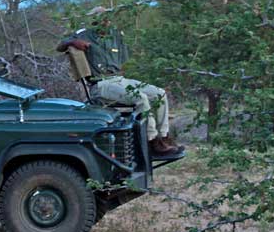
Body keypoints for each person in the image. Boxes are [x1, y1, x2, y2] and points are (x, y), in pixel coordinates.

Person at [56, 8, 183, 158]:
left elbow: (124, 61)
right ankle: (152, 141)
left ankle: (164, 137)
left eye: (107, 19)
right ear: (94, 21)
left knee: (159, 94)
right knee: (141, 98)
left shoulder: (116, 35)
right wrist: (73, 41)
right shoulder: (84, 34)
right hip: (101, 84)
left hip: (119, 80)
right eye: (101, 19)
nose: (105, 22)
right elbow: (60, 45)